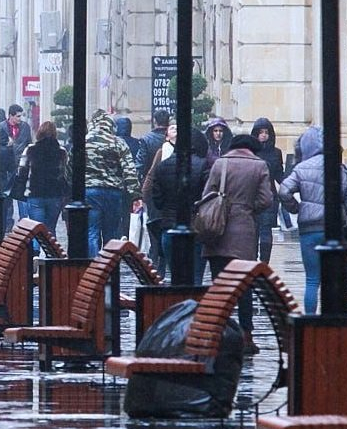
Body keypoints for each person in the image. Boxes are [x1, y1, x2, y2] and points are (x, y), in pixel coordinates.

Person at [279, 126, 347, 316]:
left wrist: (296, 208)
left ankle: (310, 320)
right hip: (335, 229)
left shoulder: (301, 168)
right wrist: (342, 209)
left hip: (309, 229)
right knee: (333, 279)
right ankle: (332, 318)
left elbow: (284, 191)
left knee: (312, 280)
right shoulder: (341, 168)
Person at [200, 133, 274, 343]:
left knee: (219, 284)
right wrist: (247, 208)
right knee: (244, 286)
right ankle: (246, 335)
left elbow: (207, 194)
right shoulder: (259, 166)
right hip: (244, 231)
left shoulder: (220, 164)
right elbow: (266, 200)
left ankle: (219, 331)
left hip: (217, 230)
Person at [144, 129, 209, 268]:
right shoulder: (203, 165)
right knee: (196, 277)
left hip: (169, 227)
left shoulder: (162, 166)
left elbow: (158, 201)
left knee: (176, 276)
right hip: (195, 227)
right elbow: (207, 196)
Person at [84, 108, 140, 253]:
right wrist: (135, 194)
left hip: (89, 191)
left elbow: (71, 167)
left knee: (92, 232)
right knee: (111, 233)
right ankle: (109, 267)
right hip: (113, 192)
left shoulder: (84, 142)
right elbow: (129, 170)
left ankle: (94, 267)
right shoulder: (117, 142)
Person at [18, 120, 70, 239]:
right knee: (51, 228)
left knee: (36, 228)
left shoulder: (30, 149)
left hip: (35, 193)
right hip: (55, 194)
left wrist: (22, 189)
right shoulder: (61, 151)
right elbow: (65, 173)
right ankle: (51, 254)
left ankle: (35, 254)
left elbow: (21, 170)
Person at [250, 117, 286, 262]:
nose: (264, 135)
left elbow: (279, 175)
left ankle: (265, 262)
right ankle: (253, 260)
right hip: (252, 196)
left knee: (265, 230)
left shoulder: (276, 152)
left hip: (269, 196)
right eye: (261, 132)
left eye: (266, 132)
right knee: (253, 232)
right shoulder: (251, 151)